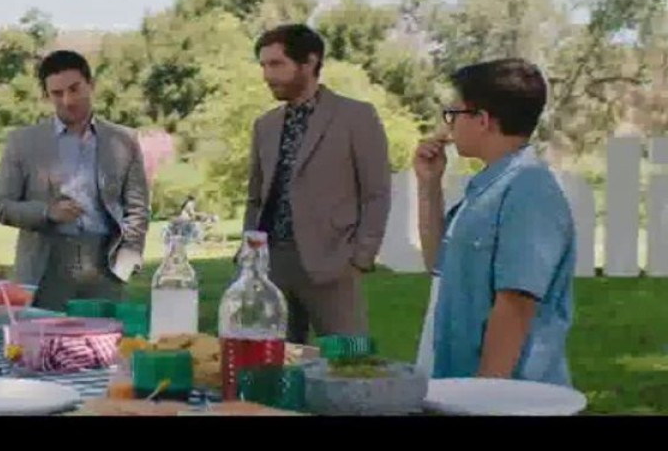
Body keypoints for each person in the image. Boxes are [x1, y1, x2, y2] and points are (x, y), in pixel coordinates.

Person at [413, 58, 575, 387]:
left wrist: (485, 394)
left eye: (454, 114)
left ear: (482, 119)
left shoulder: (529, 190)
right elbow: (437, 264)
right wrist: (429, 185)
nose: (449, 126)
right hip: (457, 382)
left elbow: (516, 304)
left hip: (507, 396)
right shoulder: (488, 187)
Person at [242, 24, 391, 344]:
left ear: (309, 62)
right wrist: (248, 255)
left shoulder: (356, 116)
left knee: (348, 361)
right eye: (263, 65)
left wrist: (360, 258)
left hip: (332, 262)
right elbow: (255, 196)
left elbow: (376, 193)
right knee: (267, 360)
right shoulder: (265, 125)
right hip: (269, 265)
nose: (267, 75)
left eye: (276, 64)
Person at [0, 50, 150, 311]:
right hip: (44, 266)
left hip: (105, 266)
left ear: (91, 84)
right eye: (57, 93)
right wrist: (47, 212)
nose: (68, 100)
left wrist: (127, 259)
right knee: (43, 336)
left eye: (75, 89)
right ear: (46, 95)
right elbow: (2, 206)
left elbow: (137, 208)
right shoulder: (22, 142)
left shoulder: (124, 141)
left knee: (105, 336)